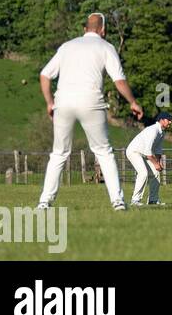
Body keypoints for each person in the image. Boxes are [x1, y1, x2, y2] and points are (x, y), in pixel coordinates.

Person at [37, 13, 144, 211]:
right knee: (103, 151)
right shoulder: (106, 47)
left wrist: (49, 102)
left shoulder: (67, 46)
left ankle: (44, 202)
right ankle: (118, 202)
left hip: (63, 102)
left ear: (85, 28)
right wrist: (133, 102)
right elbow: (119, 80)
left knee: (59, 153)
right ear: (103, 30)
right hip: (91, 102)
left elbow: (45, 75)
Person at [126, 112, 172, 206]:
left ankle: (153, 200)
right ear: (161, 120)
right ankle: (135, 200)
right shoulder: (153, 130)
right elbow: (147, 152)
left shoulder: (161, 132)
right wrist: (155, 164)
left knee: (156, 172)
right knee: (143, 173)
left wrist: (158, 163)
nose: (170, 122)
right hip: (134, 151)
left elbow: (158, 150)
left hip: (143, 153)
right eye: (168, 120)